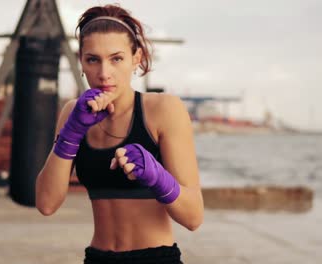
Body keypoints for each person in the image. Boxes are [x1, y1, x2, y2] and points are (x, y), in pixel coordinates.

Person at [35, 4, 203, 264]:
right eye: (93, 59)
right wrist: (71, 133)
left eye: (116, 58)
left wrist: (159, 178)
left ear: (136, 58)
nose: (104, 73)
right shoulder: (73, 113)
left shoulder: (163, 110)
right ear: (81, 61)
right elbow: (46, 204)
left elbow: (193, 218)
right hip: (98, 258)